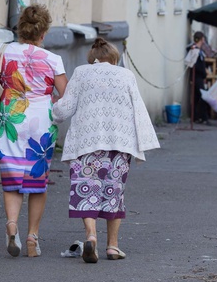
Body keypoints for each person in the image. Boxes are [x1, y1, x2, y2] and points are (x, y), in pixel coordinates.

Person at [52, 38, 160, 263]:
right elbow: (138, 109)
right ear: (113, 58)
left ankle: (91, 236)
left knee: (87, 190)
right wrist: (145, 143)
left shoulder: (81, 73)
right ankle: (113, 246)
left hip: (87, 143)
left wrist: (52, 108)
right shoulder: (126, 75)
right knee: (113, 193)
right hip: (120, 144)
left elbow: (65, 109)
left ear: (93, 58)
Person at [0, 4, 68, 258]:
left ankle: (11, 226)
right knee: (36, 181)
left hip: (12, 117)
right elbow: (66, 95)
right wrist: (52, 105)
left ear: (20, 29)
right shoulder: (52, 60)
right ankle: (32, 237)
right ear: (43, 33)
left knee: (11, 178)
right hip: (41, 121)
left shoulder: (2, 52)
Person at [188, 32, 210, 124]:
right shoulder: (194, 49)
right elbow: (194, 65)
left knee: (197, 98)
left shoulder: (199, 51)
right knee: (203, 97)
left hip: (199, 77)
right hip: (196, 77)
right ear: (202, 39)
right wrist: (203, 73)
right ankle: (204, 118)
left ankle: (196, 117)